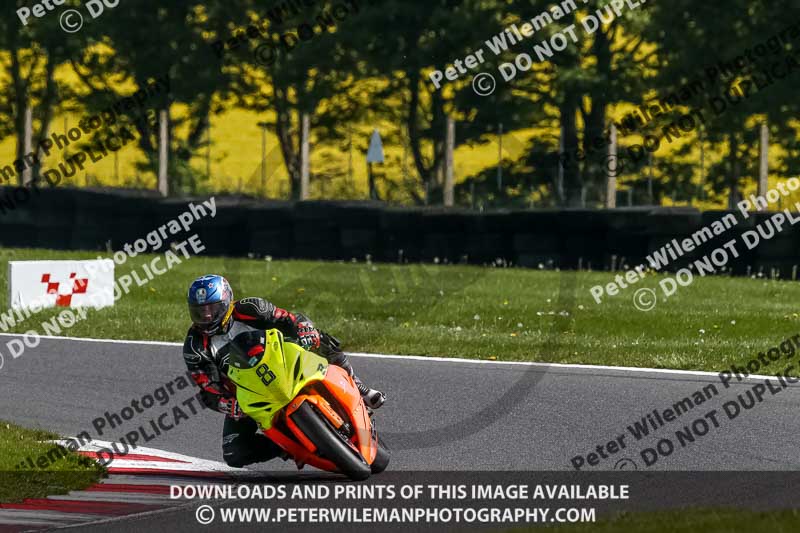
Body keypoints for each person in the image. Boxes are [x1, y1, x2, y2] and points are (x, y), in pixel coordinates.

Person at [182, 274, 385, 468]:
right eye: (200, 311)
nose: (207, 316)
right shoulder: (195, 346)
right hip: (249, 395)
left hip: (284, 362)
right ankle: (286, 447)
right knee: (234, 452)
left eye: (212, 309)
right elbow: (207, 387)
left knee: (320, 339)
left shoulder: (250, 308)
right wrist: (228, 405)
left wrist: (305, 328)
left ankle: (361, 388)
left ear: (227, 303)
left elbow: (289, 319)